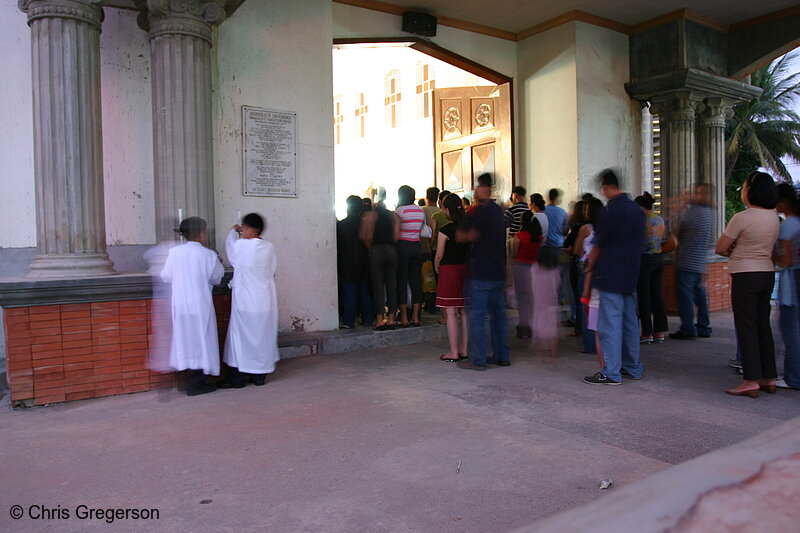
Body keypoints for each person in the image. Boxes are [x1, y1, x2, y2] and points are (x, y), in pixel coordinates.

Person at [716, 171, 780, 398]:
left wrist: (735, 249)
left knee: (746, 326)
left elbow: (721, 247)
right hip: (766, 273)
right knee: (762, 325)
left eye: (744, 187)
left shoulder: (742, 218)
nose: (742, 191)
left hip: (745, 274)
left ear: (750, 191)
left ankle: (750, 379)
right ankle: (768, 376)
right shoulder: (774, 217)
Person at [583, 170, 645, 386]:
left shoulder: (611, 210)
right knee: (629, 323)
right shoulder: (637, 210)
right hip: (630, 274)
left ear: (608, 187)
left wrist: (590, 265)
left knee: (610, 324)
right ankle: (633, 367)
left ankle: (611, 372)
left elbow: (599, 244)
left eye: (603, 188)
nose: (602, 192)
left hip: (610, 274)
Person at [160, 216, 224, 396]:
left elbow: (166, 276)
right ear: (202, 234)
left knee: (185, 339)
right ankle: (197, 382)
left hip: (180, 303)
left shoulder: (174, 253)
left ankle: (186, 379)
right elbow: (217, 278)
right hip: (200, 303)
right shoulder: (209, 255)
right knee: (202, 339)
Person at [458, 173, 510, 370]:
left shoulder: (479, 212)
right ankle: (502, 355)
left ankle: (478, 359)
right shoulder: (499, 211)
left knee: (477, 316)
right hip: (497, 270)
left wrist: (462, 233)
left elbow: (468, 236)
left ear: (483, 189)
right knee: (499, 316)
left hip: (480, 270)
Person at [220, 213, 279, 388]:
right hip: (264, 300)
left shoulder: (241, 246)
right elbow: (272, 270)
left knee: (241, 338)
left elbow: (231, 251)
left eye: (245, 228)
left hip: (246, 301)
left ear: (254, 230)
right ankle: (259, 376)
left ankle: (237, 377)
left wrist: (232, 231)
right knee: (261, 338)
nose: (243, 230)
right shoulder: (269, 247)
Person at [670, 184, 716, 340]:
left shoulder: (692, 212)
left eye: (698, 192)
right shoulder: (712, 213)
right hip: (700, 260)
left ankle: (688, 328)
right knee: (700, 295)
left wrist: (678, 210)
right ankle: (704, 326)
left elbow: (677, 232)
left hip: (687, 260)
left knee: (685, 296)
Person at [435, 194, 470, 362]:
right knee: (464, 312)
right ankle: (465, 349)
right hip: (467, 270)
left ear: (447, 210)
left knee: (450, 312)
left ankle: (454, 351)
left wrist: (436, 267)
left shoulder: (445, 230)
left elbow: (439, 255)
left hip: (449, 271)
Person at [361, 187, 400, 330]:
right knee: (392, 286)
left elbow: (367, 236)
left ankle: (379, 319)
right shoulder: (393, 216)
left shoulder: (371, 216)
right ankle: (391, 318)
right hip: (391, 251)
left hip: (376, 251)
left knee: (377, 286)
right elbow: (396, 237)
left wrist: (371, 249)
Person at [774, 183, 800, 390]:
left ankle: (794, 376)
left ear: (783, 202)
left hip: (793, 279)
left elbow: (787, 260)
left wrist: (771, 254)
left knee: (790, 329)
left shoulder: (788, 225)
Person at [635, 192, 669, 344]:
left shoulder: (641, 220)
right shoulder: (659, 219)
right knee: (657, 295)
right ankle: (659, 331)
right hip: (658, 259)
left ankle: (647, 332)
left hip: (644, 259)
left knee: (643, 295)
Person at [337, 196, 373, 329]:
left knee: (349, 292)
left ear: (347, 207)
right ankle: (368, 318)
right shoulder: (366, 223)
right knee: (364, 291)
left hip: (347, 262)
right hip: (364, 262)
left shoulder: (341, 225)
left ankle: (348, 320)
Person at [574, 198, 603, 355]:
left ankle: (589, 344)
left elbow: (576, 249)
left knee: (585, 305)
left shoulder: (585, 228)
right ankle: (598, 343)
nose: (584, 212)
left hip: (586, 267)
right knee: (597, 307)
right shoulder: (605, 228)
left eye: (586, 209)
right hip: (601, 269)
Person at [395, 185, 425, 327]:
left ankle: (405, 318)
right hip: (416, 247)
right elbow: (421, 230)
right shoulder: (420, 210)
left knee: (402, 281)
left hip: (403, 247)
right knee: (416, 282)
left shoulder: (400, 211)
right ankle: (416, 317)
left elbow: (396, 233)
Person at [510, 211, 540, 339]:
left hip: (521, 268)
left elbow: (514, 254)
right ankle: (533, 326)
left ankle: (523, 326)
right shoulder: (539, 237)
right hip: (535, 269)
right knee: (533, 299)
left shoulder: (519, 236)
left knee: (522, 299)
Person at [564, 200, 586, 336]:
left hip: (578, 263)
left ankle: (579, 326)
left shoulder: (579, 227)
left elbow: (568, 243)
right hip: (590, 264)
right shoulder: (593, 226)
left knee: (578, 294)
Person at [421, 187, 441, 314]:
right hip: (439, 249)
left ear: (427, 197)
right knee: (436, 278)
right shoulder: (441, 212)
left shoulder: (422, 210)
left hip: (424, 248)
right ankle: (435, 305)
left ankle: (425, 304)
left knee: (424, 278)